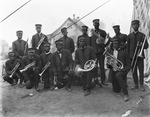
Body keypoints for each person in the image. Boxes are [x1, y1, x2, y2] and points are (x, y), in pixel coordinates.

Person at [127, 20, 149, 91]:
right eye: (133, 25)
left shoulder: (142, 35)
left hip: (140, 56)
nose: (135, 26)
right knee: (134, 71)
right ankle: (136, 84)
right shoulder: (129, 36)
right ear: (132, 26)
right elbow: (127, 47)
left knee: (141, 71)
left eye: (136, 25)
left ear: (138, 26)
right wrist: (128, 56)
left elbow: (147, 45)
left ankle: (141, 85)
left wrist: (141, 45)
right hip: (132, 56)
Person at [107, 37, 131, 101]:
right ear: (113, 44)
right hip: (114, 71)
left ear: (119, 44)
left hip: (121, 72)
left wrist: (124, 70)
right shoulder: (111, 53)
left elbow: (129, 65)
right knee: (116, 90)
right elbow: (108, 66)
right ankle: (123, 84)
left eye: (117, 43)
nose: (116, 45)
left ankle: (126, 94)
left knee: (118, 75)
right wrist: (109, 64)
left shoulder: (124, 53)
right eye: (114, 43)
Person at [90, 19, 109, 86]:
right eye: (95, 24)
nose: (96, 25)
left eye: (97, 24)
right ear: (93, 24)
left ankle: (103, 81)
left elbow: (106, 41)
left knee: (101, 66)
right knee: (94, 66)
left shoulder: (103, 32)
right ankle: (95, 80)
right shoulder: (91, 33)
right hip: (94, 53)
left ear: (99, 24)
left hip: (101, 52)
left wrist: (103, 46)